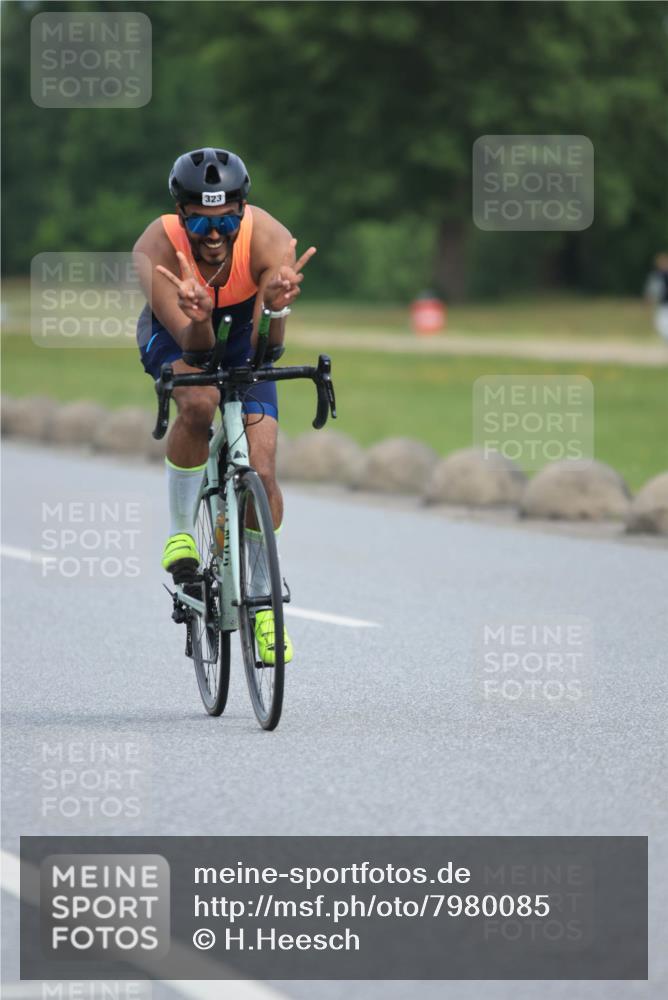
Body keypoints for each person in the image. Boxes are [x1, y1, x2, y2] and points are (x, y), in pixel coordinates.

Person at [133, 147, 316, 664]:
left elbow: (268, 349)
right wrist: (198, 314)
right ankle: (179, 535)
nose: (214, 236)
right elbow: (195, 351)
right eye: (201, 225)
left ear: (242, 212)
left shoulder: (271, 241)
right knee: (198, 401)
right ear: (181, 216)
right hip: (179, 335)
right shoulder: (155, 249)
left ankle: (262, 606)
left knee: (263, 464)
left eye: (226, 221)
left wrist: (277, 306)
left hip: (242, 338)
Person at [644, 252, 668, 343]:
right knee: (660, 324)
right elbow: (652, 290)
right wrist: (648, 301)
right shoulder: (658, 275)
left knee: (662, 324)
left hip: (665, 304)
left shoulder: (659, 275)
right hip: (663, 304)